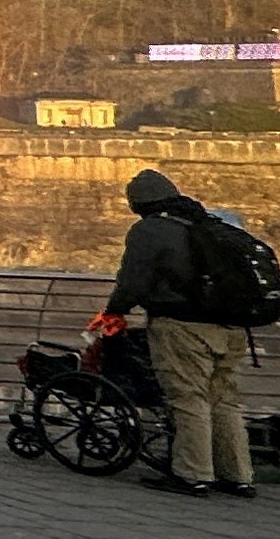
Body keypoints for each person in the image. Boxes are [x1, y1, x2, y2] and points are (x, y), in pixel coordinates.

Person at [105, 168, 253, 497]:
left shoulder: (151, 230)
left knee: (188, 398)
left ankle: (193, 474)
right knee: (224, 400)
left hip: (184, 326)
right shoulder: (210, 222)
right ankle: (237, 475)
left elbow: (133, 281)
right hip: (234, 327)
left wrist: (115, 309)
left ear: (138, 204)